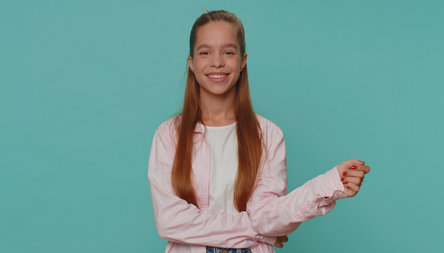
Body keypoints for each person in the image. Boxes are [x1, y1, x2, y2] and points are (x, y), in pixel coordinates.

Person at [147, 10, 370, 253]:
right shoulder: (169, 135)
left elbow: (267, 217)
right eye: (205, 52)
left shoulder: (269, 135)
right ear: (191, 63)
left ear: (243, 61)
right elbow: (170, 220)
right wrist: (256, 232)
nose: (217, 62)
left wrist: (328, 183)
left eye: (228, 52)